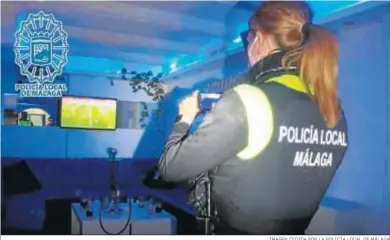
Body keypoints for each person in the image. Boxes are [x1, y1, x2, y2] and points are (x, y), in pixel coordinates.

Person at [158, 1, 348, 235]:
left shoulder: (247, 100)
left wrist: (184, 118)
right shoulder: (332, 110)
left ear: (258, 38)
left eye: (247, 39)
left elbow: (170, 168)